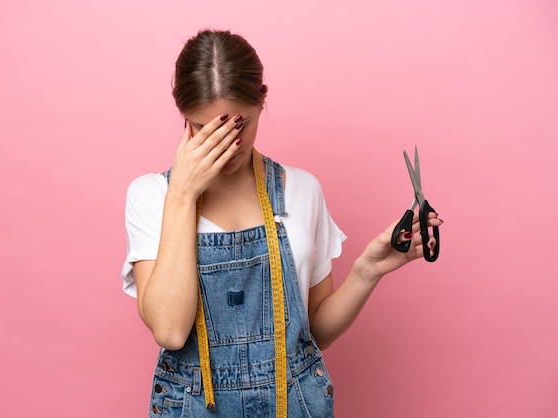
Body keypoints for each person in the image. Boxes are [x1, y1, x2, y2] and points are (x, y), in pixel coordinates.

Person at [121, 29, 443, 417]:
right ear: (184, 119)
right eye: (206, 132)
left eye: (237, 126)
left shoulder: (302, 190)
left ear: (262, 102)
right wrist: (183, 195)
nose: (226, 147)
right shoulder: (152, 197)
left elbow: (311, 334)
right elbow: (170, 331)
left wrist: (367, 270)